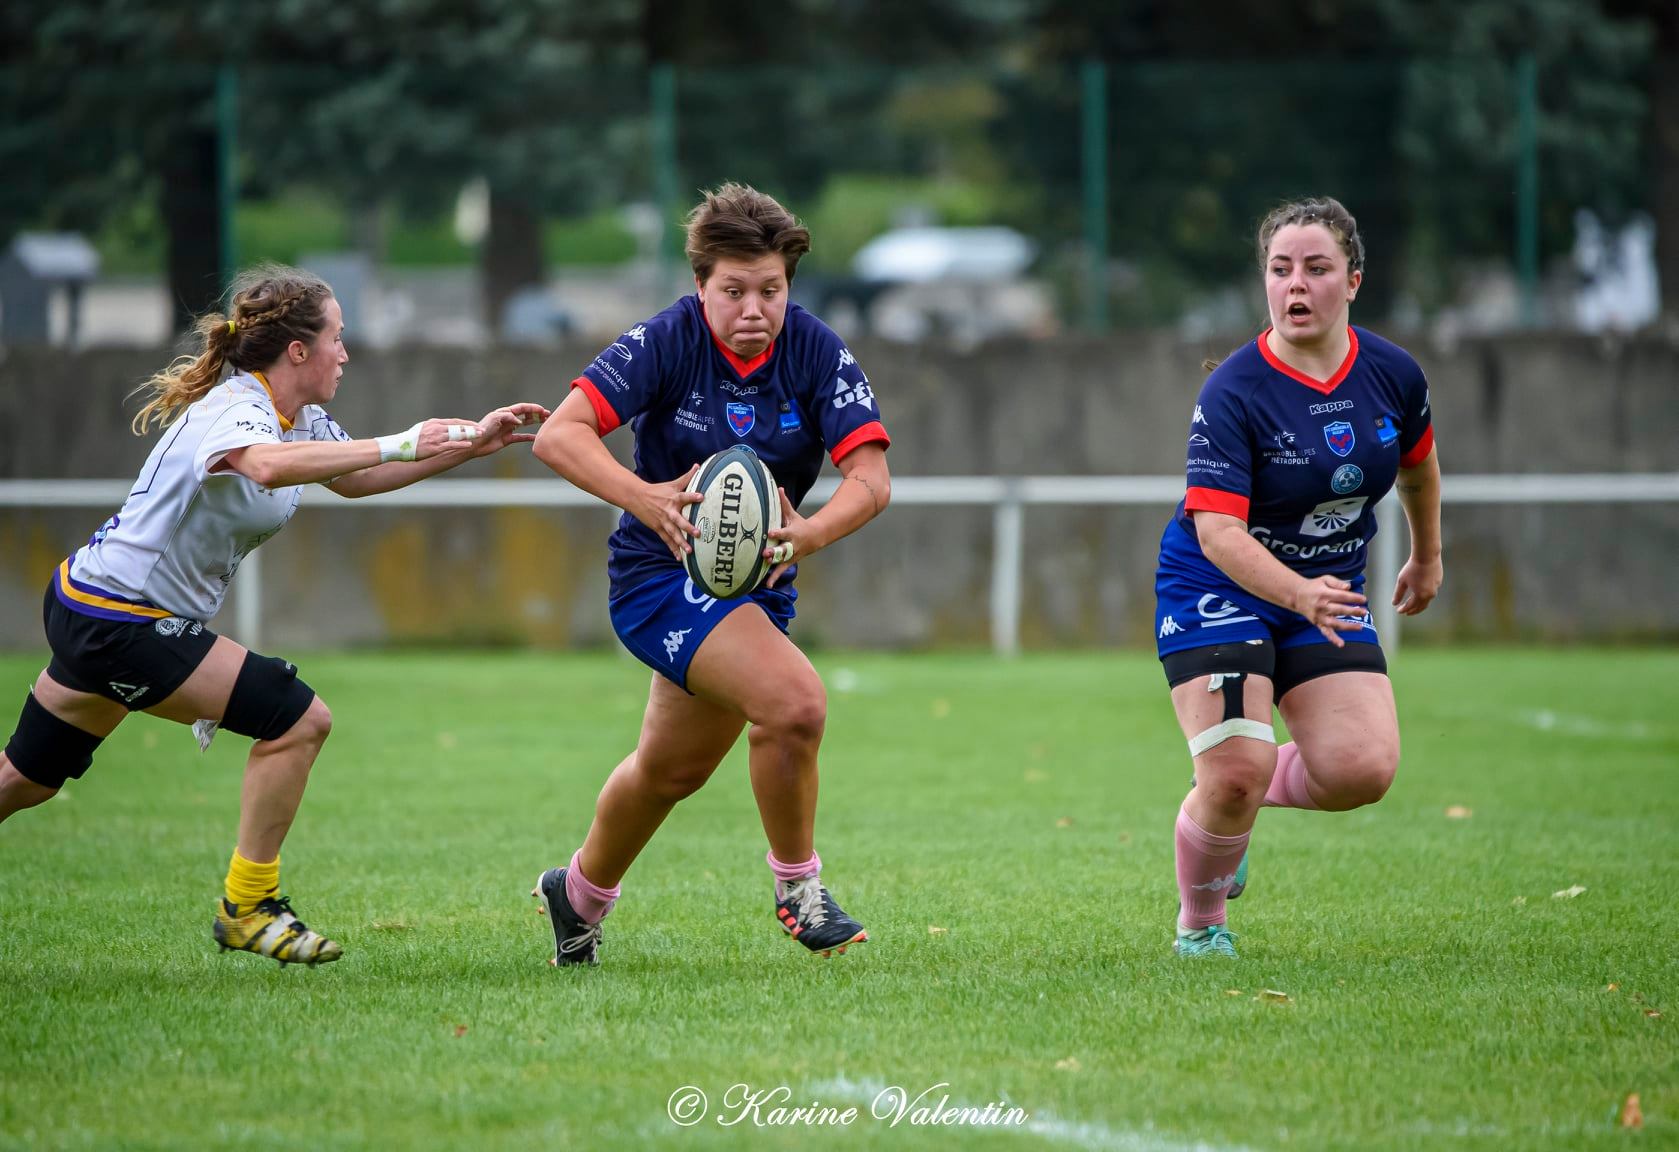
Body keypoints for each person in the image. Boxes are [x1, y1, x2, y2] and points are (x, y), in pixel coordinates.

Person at [0, 264, 548, 967]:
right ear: (298, 350)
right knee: (296, 718)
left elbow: (351, 478)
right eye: (337, 338)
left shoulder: (299, 417)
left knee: (25, 779)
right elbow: (262, 466)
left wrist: (467, 444)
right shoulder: (240, 412)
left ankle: (248, 907)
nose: (345, 354)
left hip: (97, 606)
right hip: (117, 616)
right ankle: (248, 907)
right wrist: (405, 438)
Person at [529, 183, 891, 966]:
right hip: (657, 577)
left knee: (671, 770)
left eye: (771, 289)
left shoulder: (816, 349)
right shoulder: (665, 340)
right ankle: (800, 890)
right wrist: (645, 498)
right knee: (794, 705)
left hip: (754, 584)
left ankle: (579, 894)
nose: (754, 308)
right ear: (701, 285)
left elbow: (870, 478)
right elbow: (560, 437)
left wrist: (809, 534)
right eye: (733, 291)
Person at [1152, 197, 1442, 958]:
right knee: (1236, 767)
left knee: (1359, 771)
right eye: (1280, 270)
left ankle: (1227, 805)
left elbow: (1416, 466)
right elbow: (1216, 531)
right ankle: (1202, 924)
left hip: (1324, 588)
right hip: (1217, 584)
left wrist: (1427, 553)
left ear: (1352, 279)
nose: (1295, 286)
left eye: (1315, 269)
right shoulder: (1233, 392)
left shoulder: (1391, 373)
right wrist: (1297, 593)